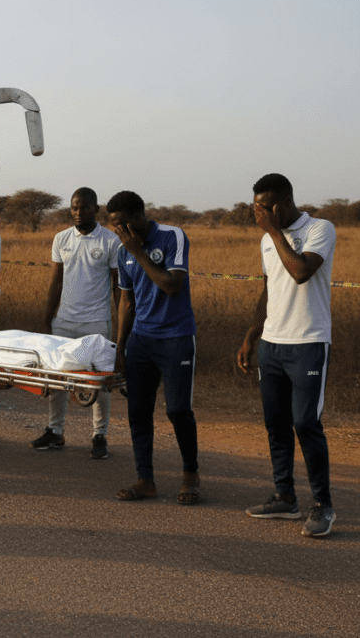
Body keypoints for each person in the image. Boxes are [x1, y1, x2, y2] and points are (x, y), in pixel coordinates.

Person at [237, 173, 337, 537]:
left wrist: (275, 232)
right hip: (272, 345)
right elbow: (270, 287)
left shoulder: (320, 229)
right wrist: (252, 334)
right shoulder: (267, 240)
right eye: (255, 208)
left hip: (308, 343)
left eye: (262, 208)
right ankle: (285, 497)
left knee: (305, 424)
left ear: (279, 204)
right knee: (276, 424)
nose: (257, 215)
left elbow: (300, 272)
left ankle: (323, 505)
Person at [107, 191, 200, 505]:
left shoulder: (173, 237)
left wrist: (140, 252)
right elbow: (126, 301)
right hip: (141, 340)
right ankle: (145, 479)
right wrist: (120, 348)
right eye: (113, 227)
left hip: (176, 338)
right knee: (138, 412)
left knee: (177, 410)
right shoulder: (124, 252)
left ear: (137, 217)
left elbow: (172, 286)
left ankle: (191, 474)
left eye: (121, 225)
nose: (117, 232)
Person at [32, 187, 121, 459]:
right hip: (65, 323)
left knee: (99, 384)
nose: (78, 212)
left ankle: (99, 436)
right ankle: (55, 431)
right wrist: (48, 317)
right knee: (57, 379)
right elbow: (56, 281)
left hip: (96, 323)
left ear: (96, 209)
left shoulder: (110, 241)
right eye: (74, 207)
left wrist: (121, 327)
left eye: (84, 207)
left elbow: (118, 287)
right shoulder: (61, 239)